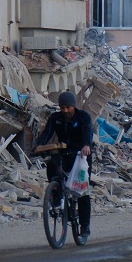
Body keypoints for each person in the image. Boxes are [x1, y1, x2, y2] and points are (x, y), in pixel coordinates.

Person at [35, 91, 93, 236]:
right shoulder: (56, 118)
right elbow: (47, 133)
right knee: (52, 166)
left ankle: (84, 226)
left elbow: (88, 134)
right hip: (64, 154)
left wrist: (86, 145)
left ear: (73, 106)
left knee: (82, 191)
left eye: (68, 107)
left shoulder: (83, 117)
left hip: (81, 156)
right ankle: (56, 194)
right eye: (62, 108)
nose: (65, 111)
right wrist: (39, 145)